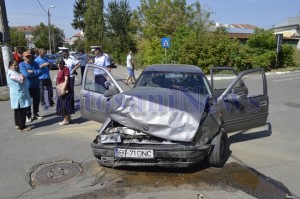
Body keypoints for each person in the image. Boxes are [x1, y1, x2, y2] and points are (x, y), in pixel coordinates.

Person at [7, 60, 32, 132]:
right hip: (18, 95)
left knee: (17, 110)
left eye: (17, 65)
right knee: (21, 111)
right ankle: (22, 127)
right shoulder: (11, 73)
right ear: (10, 66)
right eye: (14, 65)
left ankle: (18, 124)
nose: (16, 66)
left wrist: (21, 75)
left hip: (18, 94)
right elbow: (22, 80)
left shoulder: (14, 72)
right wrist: (22, 75)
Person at [19, 50, 43, 122]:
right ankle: (28, 115)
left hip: (36, 85)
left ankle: (35, 114)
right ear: (23, 57)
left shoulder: (34, 63)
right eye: (27, 56)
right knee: (28, 101)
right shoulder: (21, 64)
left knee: (36, 100)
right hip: (27, 86)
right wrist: (34, 72)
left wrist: (32, 72)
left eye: (29, 56)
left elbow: (40, 71)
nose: (29, 57)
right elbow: (26, 74)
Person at [59, 47, 80, 113]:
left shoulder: (71, 58)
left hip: (70, 77)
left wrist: (74, 69)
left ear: (66, 52)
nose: (61, 53)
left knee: (70, 91)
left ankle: (71, 107)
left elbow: (79, 63)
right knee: (66, 92)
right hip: (65, 77)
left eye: (62, 52)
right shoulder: (63, 59)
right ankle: (67, 106)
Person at [56, 59, 73, 125]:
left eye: (60, 63)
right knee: (62, 103)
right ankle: (68, 118)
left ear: (63, 64)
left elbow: (67, 79)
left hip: (65, 89)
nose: (58, 65)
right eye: (57, 63)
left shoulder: (65, 69)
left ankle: (65, 120)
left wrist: (63, 89)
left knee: (65, 104)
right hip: (60, 88)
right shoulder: (59, 69)